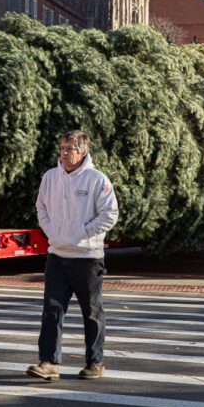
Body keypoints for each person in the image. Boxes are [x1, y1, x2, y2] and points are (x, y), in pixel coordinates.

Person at [26, 130, 118, 381]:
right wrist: (51, 231)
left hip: (87, 258)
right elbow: (41, 207)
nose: (64, 154)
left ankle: (95, 362)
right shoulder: (50, 177)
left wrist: (83, 233)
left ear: (83, 152)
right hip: (56, 255)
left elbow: (109, 215)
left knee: (92, 311)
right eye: (62, 148)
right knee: (52, 310)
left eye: (70, 149)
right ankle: (49, 363)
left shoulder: (97, 180)